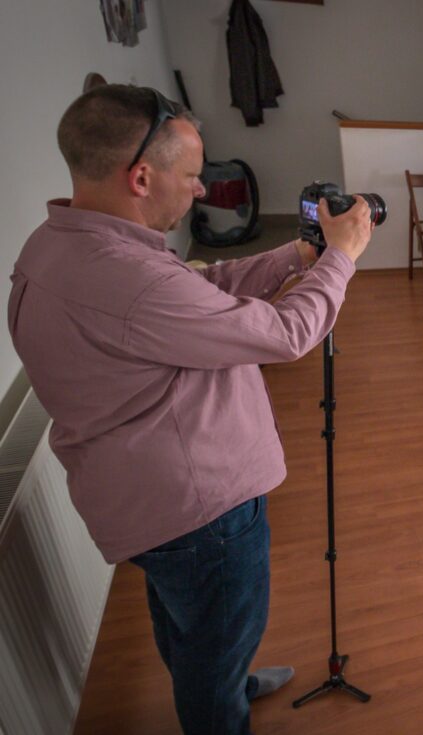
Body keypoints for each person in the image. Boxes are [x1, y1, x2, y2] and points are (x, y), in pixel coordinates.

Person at [8, 84, 371, 734]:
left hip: (141, 502)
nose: (203, 191)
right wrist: (341, 258)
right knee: (215, 637)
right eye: (194, 176)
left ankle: (221, 679)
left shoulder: (53, 248)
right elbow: (287, 334)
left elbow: (193, 290)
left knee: (189, 624)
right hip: (201, 513)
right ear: (141, 176)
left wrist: (298, 255)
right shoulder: (129, 281)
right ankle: (217, 701)